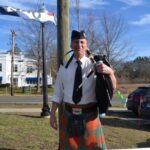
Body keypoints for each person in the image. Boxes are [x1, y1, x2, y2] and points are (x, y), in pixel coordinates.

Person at [50, 30, 117, 150]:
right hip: (68, 114)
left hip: (90, 115)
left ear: (86, 44)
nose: (79, 45)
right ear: (71, 44)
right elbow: (57, 93)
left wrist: (110, 73)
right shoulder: (64, 67)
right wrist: (52, 114)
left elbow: (112, 88)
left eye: (82, 42)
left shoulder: (96, 65)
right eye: (76, 42)